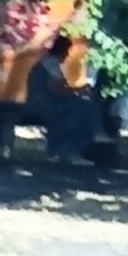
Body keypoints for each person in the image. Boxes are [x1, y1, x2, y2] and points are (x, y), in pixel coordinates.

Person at [25, 32, 99, 164]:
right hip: (44, 105)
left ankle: (59, 151)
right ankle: (73, 150)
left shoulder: (46, 63)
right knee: (80, 108)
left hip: (41, 103)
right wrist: (78, 91)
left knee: (75, 108)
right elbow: (57, 90)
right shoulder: (50, 64)